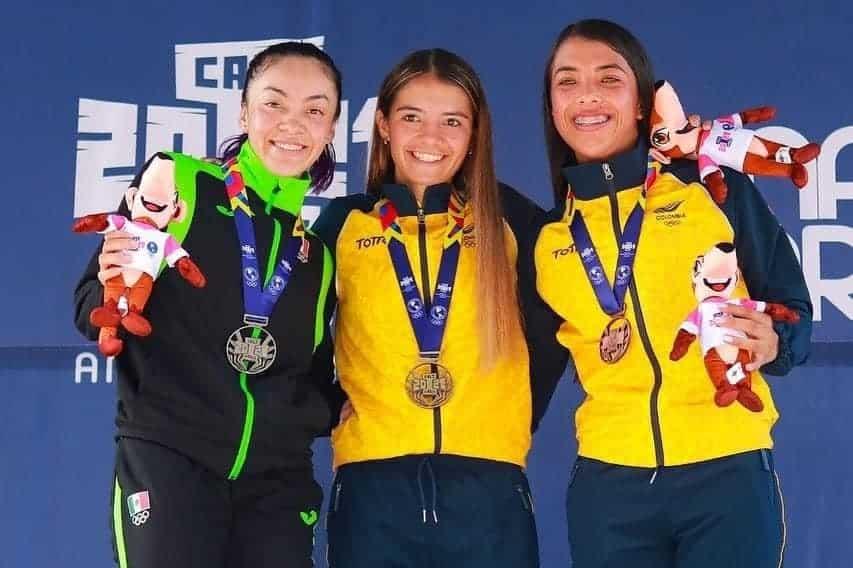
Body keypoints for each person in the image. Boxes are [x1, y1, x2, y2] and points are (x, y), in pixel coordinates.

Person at [524, 19, 813, 568]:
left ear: (641, 102)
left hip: (727, 474)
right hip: (610, 487)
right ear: (553, 107)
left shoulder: (713, 188)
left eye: (609, 79)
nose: (587, 95)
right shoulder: (547, 238)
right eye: (568, 81)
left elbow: (794, 309)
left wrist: (776, 340)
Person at [73, 41, 344, 568]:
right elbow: (93, 305)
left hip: (275, 488)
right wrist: (116, 295)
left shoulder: (314, 255)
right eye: (274, 103)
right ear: (243, 111)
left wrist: (336, 408)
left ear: (332, 127)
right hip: (172, 462)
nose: (293, 124)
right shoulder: (180, 185)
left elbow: (311, 375)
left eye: (315, 110)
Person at [311, 48, 544, 568]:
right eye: (412, 117)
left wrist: (514, 412)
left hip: (489, 486)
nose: (431, 137)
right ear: (384, 125)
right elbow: (295, 324)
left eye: (452, 121)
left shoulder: (510, 219)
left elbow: (558, 325)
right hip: (373, 486)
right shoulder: (346, 223)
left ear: (475, 133)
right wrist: (325, 403)